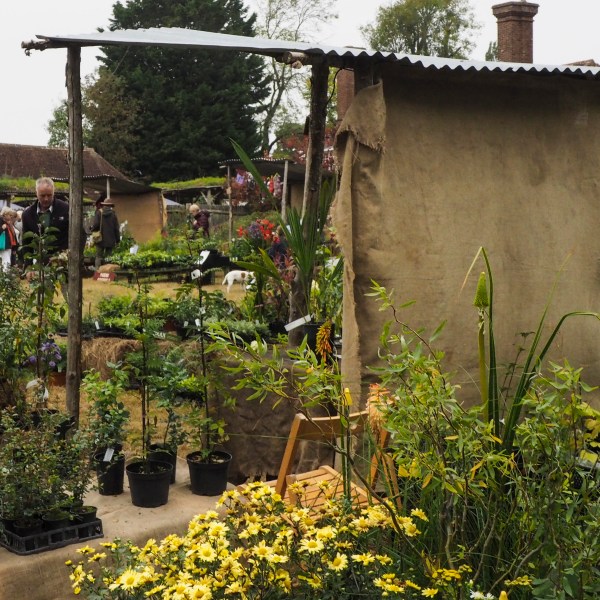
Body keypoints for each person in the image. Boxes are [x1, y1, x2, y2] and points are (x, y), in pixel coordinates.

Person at [21, 177, 70, 271]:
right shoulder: (28, 215)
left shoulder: (66, 209)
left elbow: (79, 234)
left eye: (49, 195)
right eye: (42, 195)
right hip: (40, 264)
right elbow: (26, 242)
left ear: (54, 193)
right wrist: (28, 265)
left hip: (63, 263)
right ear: (36, 193)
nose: (46, 199)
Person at [91, 199, 121, 269]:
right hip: (111, 239)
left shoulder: (99, 212)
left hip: (100, 239)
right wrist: (117, 240)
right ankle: (107, 272)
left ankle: (98, 272)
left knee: (98, 256)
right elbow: (116, 228)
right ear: (110, 205)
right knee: (108, 257)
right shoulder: (113, 214)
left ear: (104, 205)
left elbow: (95, 225)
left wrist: (92, 229)